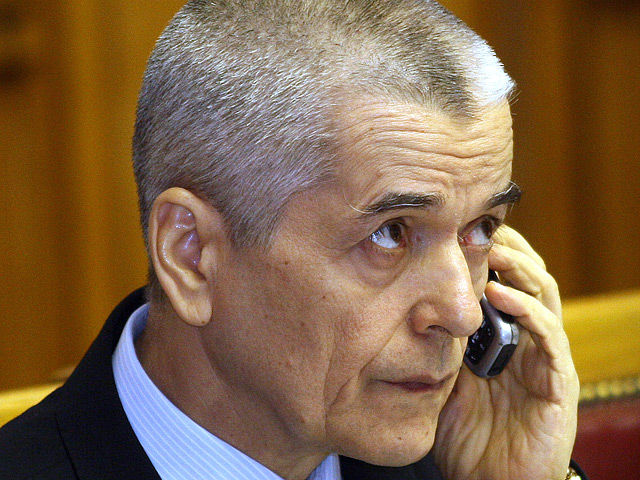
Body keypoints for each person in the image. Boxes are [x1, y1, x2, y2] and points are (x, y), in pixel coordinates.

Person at [0, 0, 587, 479]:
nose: (463, 314)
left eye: (481, 229)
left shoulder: (456, 459)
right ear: (191, 256)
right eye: (389, 234)